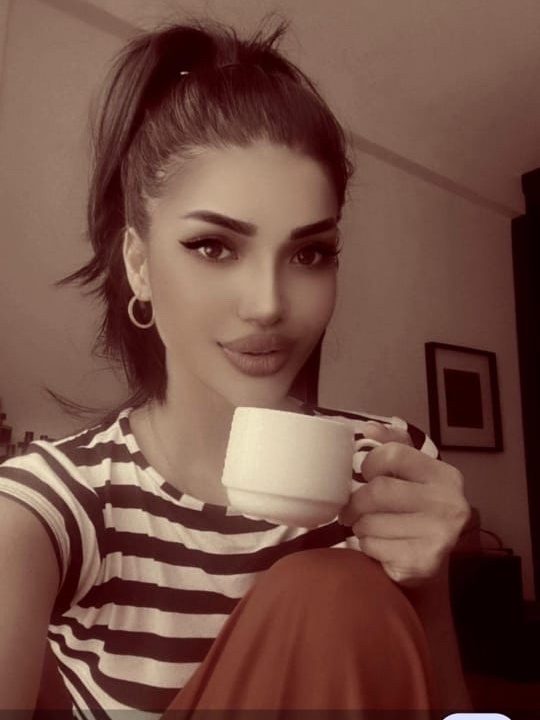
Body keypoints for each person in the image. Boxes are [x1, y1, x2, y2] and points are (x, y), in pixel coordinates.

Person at [0, 19, 471, 718]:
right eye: (214, 246)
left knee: (337, 595)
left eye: (310, 253)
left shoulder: (392, 467)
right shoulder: (51, 506)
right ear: (139, 264)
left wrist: (426, 592)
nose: (269, 304)